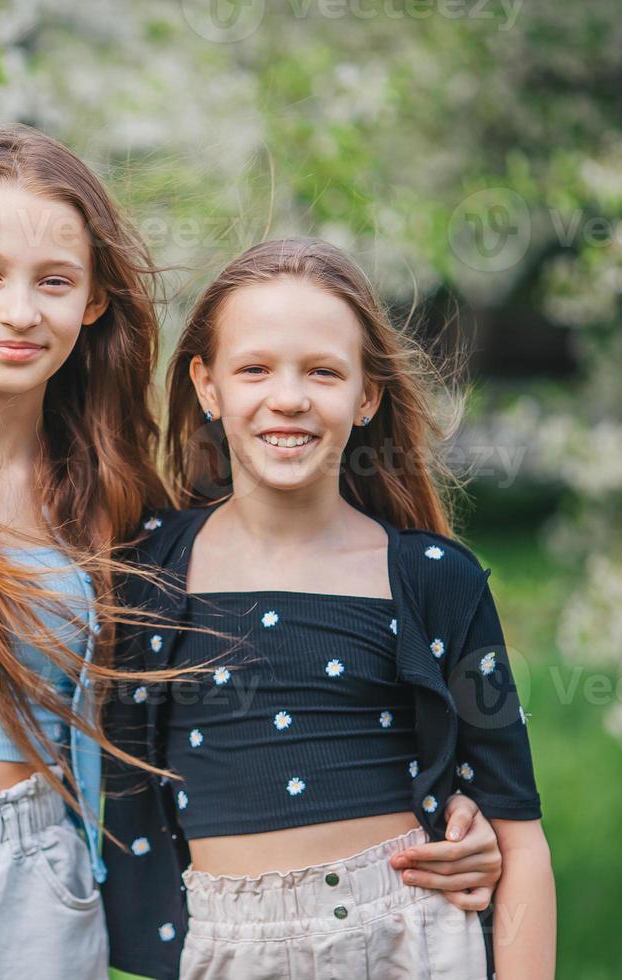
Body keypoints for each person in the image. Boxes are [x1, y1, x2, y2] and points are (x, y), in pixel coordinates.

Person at [0, 127, 508, 980]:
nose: (20, 312)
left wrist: (444, 814)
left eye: (54, 282)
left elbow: (256, 666)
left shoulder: (120, 500)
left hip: (41, 887)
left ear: (92, 303)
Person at [102, 238, 556, 980]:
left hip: (408, 938)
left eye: (323, 371)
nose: (289, 398)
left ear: (367, 395)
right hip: (226, 945)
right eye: (254, 369)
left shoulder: (435, 580)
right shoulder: (145, 570)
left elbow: (520, 838)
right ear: (207, 385)